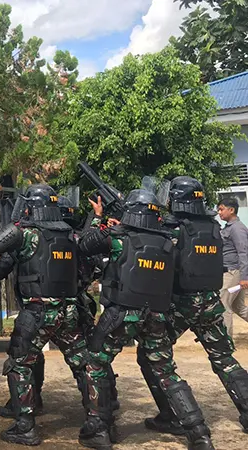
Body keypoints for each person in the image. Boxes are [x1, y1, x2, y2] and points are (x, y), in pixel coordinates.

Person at [77, 190, 214, 449]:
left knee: (95, 364)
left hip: (121, 315)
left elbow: (84, 244)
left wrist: (99, 219)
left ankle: (98, 428)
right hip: (157, 316)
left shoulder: (117, 238)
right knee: (166, 372)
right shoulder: (167, 242)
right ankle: (199, 432)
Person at [0, 186, 89, 446]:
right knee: (84, 364)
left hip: (38, 312)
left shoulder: (25, 234)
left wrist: (5, 231)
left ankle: (25, 426)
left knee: (19, 365)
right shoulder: (70, 233)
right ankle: (100, 420)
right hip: (69, 310)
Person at [138, 177, 248, 434]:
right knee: (224, 359)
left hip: (181, 304)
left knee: (150, 355)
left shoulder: (173, 229)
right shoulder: (211, 226)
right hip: (209, 302)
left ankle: (172, 416)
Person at [217, 197, 248, 335]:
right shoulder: (229, 227)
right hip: (235, 273)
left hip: (233, 273)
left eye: (221, 209)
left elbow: (244, 252)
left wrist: (244, 277)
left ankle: (226, 344)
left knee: (223, 305)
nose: (219, 212)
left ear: (231, 210)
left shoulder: (237, 229)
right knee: (239, 307)